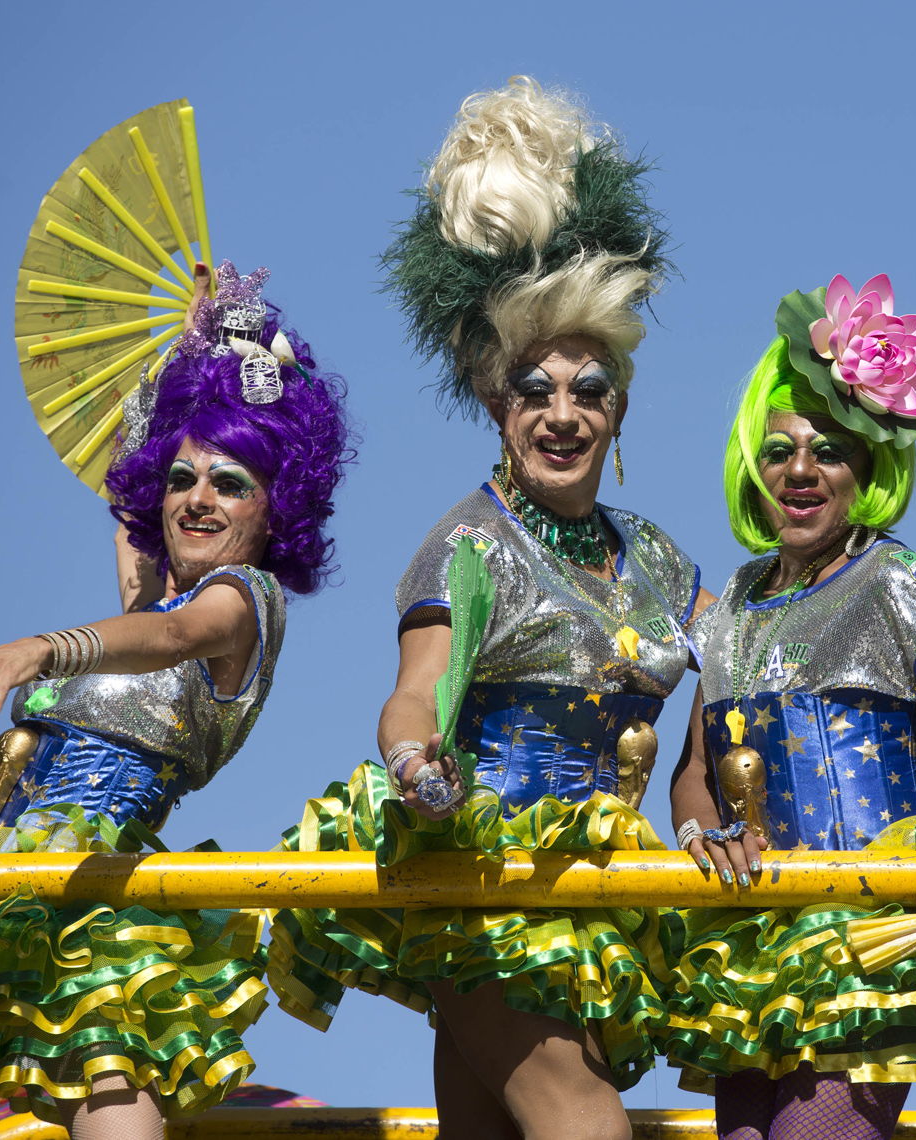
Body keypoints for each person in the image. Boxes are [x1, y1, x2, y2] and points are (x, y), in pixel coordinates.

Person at [267, 78, 697, 1140]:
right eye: (531, 389)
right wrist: (418, 769)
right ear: (494, 405)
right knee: (583, 1123)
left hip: (599, 902)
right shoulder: (467, 545)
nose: (560, 414)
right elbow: (416, 698)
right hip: (483, 886)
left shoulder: (659, 560)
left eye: (586, 390)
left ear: (620, 406)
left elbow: (760, 642)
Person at [0, 263, 351, 1140]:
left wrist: (40, 649)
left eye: (230, 481)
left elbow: (171, 641)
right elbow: (137, 554)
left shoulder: (243, 605)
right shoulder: (150, 601)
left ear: (275, 504)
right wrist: (184, 364)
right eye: (180, 479)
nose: (198, 498)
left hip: (97, 904)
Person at [658, 275, 916, 1140]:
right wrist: (705, 836)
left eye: (830, 451)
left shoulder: (897, 582)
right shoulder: (733, 603)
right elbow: (695, 771)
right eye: (779, 451)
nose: (801, 471)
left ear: (870, 470)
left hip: (871, 934)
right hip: (754, 944)